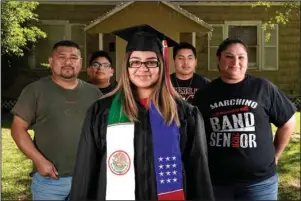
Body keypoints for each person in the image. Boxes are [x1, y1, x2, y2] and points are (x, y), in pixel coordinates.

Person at [69, 24, 214, 200]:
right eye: (135, 62)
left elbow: (198, 175)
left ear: (161, 67)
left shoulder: (185, 114)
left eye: (151, 62)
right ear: (126, 67)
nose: (143, 68)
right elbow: (86, 173)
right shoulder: (101, 112)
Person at [193, 38, 296, 200]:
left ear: (247, 61)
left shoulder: (263, 87)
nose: (235, 62)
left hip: (260, 184)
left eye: (241, 57)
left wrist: (276, 155)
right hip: (217, 183)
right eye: (229, 56)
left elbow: (288, 122)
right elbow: (195, 135)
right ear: (218, 60)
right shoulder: (204, 95)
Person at [10, 40, 102, 200]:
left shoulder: (94, 93)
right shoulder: (35, 90)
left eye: (74, 58)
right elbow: (17, 129)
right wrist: (39, 161)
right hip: (49, 182)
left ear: (80, 63)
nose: (68, 62)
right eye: (62, 57)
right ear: (51, 61)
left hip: (87, 179)